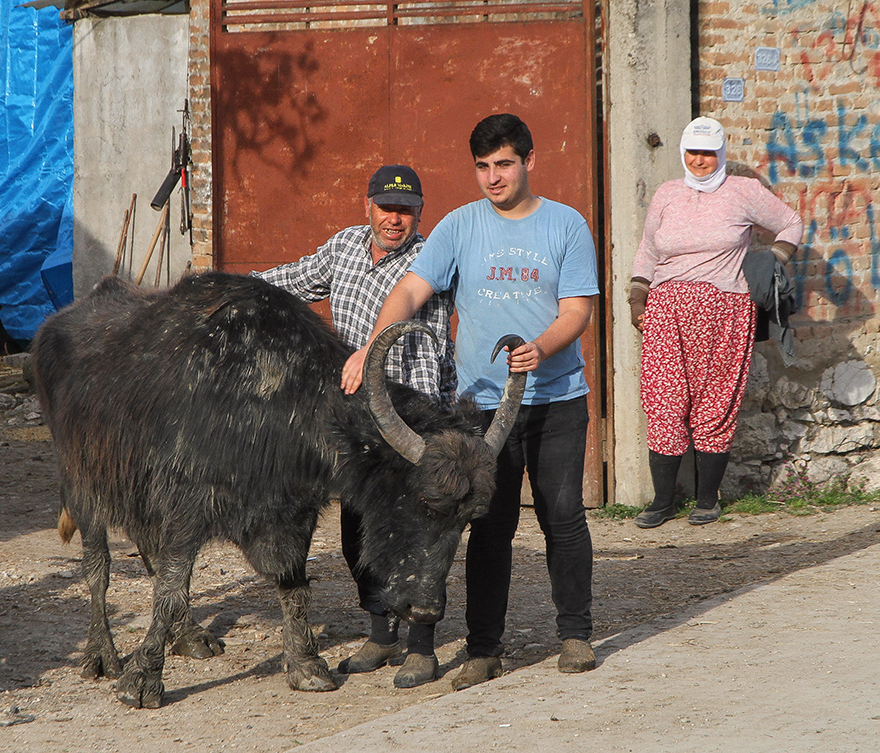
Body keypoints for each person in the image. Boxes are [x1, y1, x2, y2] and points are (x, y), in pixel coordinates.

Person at [341, 114, 600, 690]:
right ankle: (484, 648)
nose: (493, 177)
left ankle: (575, 634)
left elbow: (577, 310)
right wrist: (373, 348)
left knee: (564, 519)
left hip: (556, 400)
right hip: (481, 410)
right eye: (482, 166)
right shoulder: (460, 226)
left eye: (504, 164)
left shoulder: (566, 226)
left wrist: (540, 347)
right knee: (490, 527)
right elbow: (411, 289)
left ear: (530, 162)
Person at [253, 164, 455, 688]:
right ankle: (380, 633)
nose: (396, 219)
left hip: (412, 413)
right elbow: (287, 281)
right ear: (366, 206)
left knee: (414, 534)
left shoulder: (431, 256)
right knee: (356, 534)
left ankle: (422, 647)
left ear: (420, 212)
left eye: (406, 210)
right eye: (387, 208)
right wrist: (221, 290)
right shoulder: (343, 247)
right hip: (356, 415)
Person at [629, 116, 803, 529]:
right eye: (693, 151)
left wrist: (772, 260)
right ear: (682, 153)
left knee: (715, 400)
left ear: (720, 153)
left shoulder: (743, 191)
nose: (700, 160)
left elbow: (791, 223)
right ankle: (662, 501)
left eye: (708, 152)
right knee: (664, 402)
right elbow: (648, 251)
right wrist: (639, 300)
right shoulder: (667, 194)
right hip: (666, 310)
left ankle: (707, 500)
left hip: (725, 312)